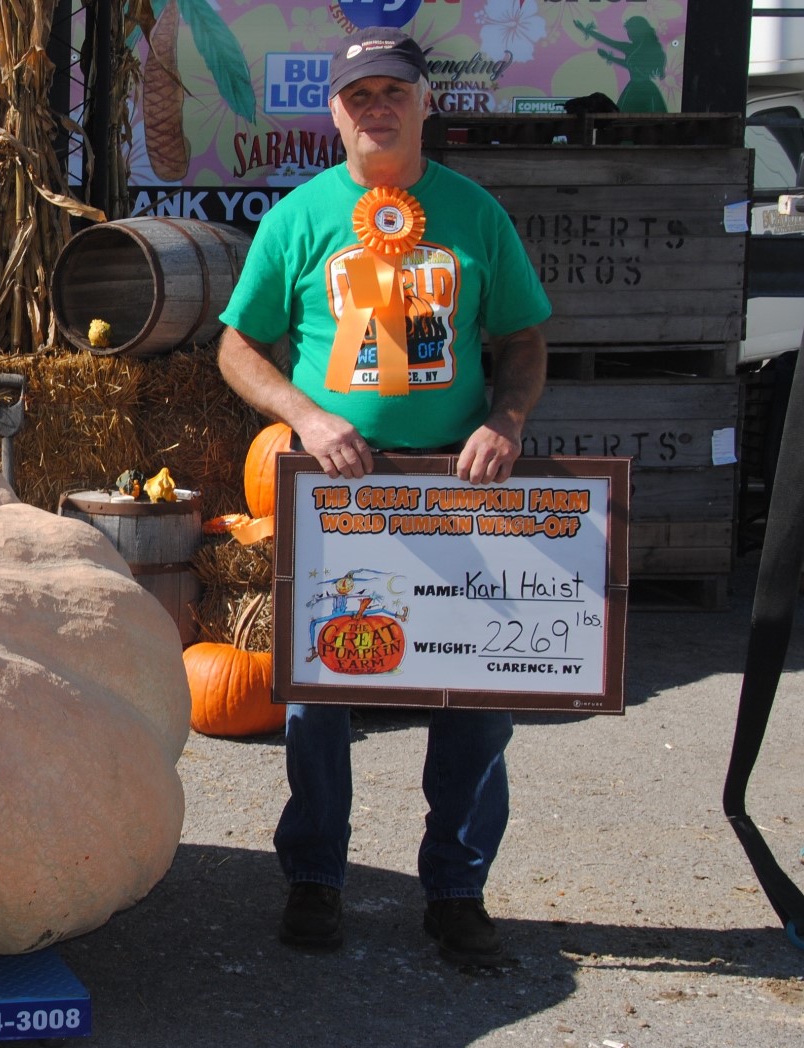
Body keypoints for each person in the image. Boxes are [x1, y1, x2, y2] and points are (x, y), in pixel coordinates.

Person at [215, 27, 551, 966]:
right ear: (334, 112)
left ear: (423, 103)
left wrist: (508, 424)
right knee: (319, 696)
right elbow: (237, 347)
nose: (377, 107)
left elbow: (524, 340)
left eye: (393, 91)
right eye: (359, 94)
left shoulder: (476, 214)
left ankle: (456, 890)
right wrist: (306, 418)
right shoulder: (299, 219)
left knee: (477, 695)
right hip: (341, 489)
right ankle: (315, 878)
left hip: (459, 482)